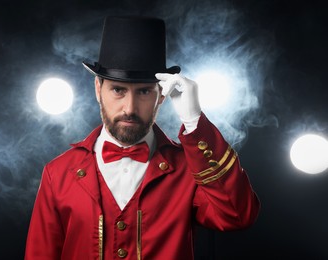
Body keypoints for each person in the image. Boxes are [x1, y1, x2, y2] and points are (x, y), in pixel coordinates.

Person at [25, 16, 260, 260]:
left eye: (144, 91)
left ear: (161, 95)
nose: (130, 107)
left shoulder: (189, 169)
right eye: (118, 90)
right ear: (98, 89)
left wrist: (194, 122)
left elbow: (238, 215)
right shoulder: (58, 173)